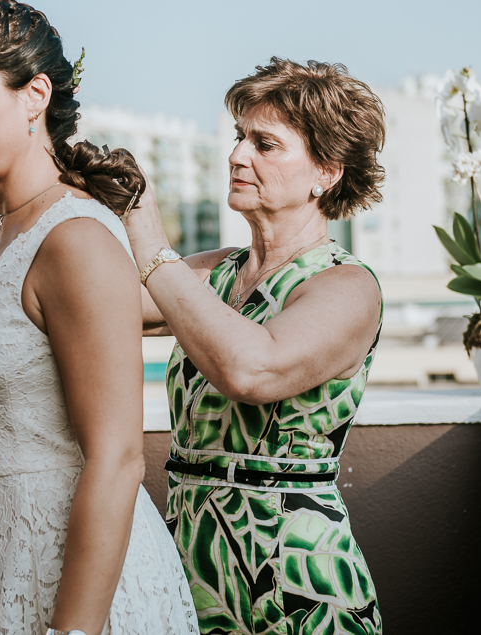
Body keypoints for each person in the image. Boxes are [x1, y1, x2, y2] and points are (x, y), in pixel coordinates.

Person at [0, 0, 198, 635]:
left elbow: (119, 457)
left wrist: (73, 630)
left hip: (74, 587)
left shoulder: (75, 240)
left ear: (33, 94)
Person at [123, 58, 386, 635]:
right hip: (188, 568)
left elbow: (251, 369)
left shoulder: (347, 286)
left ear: (326, 171)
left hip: (297, 583)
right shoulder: (214, 273)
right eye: (240, 138)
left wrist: (146, 230)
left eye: (265, 143)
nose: (238, 156)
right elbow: (95, 308)